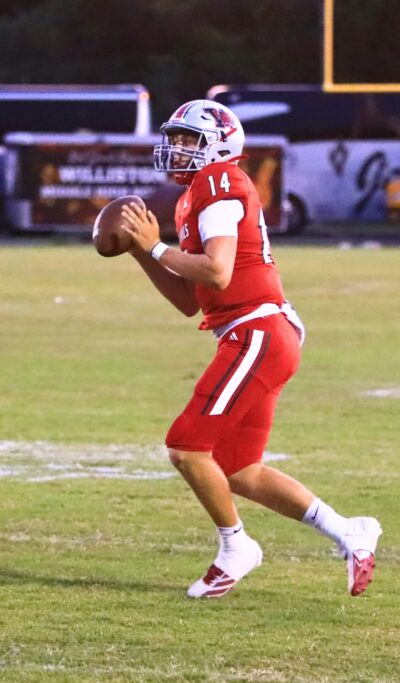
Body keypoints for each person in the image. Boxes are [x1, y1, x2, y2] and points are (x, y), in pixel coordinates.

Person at [119, 99, 382, 599]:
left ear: (218, 144)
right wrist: (142, 252)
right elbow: (189, 301)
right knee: (238, 469)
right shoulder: (196, 192)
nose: (176, 148)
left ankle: (236, 546)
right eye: (174, 138)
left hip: (256, 331)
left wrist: (156, 248)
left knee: (187, 446)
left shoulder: (218, 180)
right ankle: (350, 531)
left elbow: (217, 270)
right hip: (255, 332)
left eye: (188, 140)